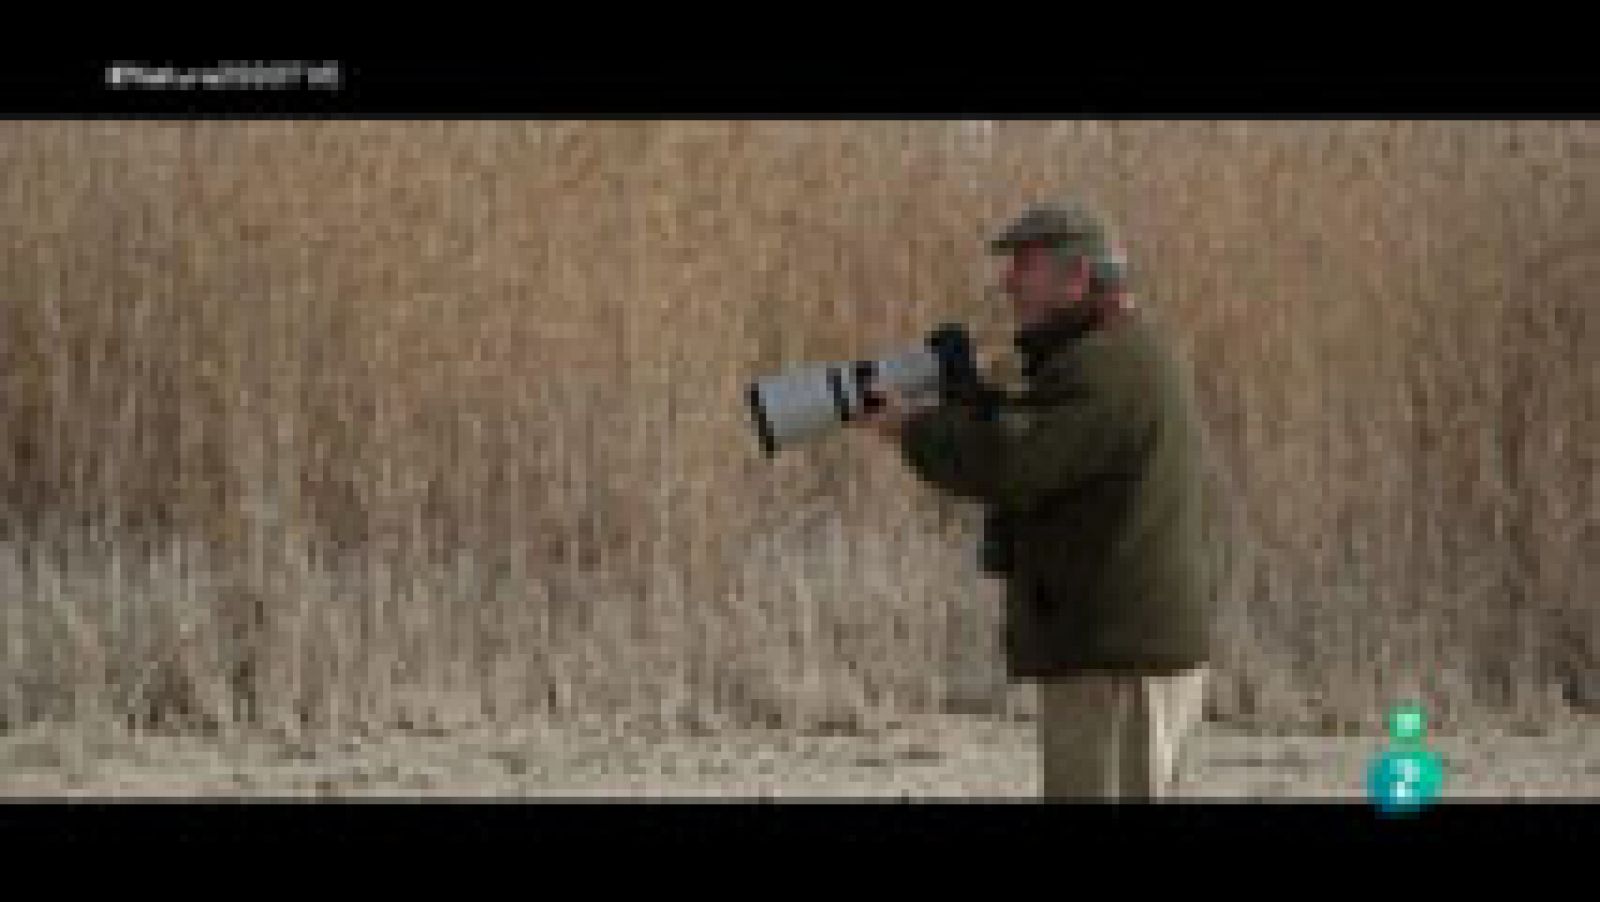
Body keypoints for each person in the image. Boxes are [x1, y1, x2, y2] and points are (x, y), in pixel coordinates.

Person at [855, 201, 1226, 801]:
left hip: (1119, 659)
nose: (1007, 283)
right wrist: (966, 401)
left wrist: (912, 428)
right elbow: (1030, 436)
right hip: (1115, 648)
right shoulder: (1106, 357)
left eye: (1022, 267)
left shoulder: (1106, 369)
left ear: (1076, 277)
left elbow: (1012, 462)